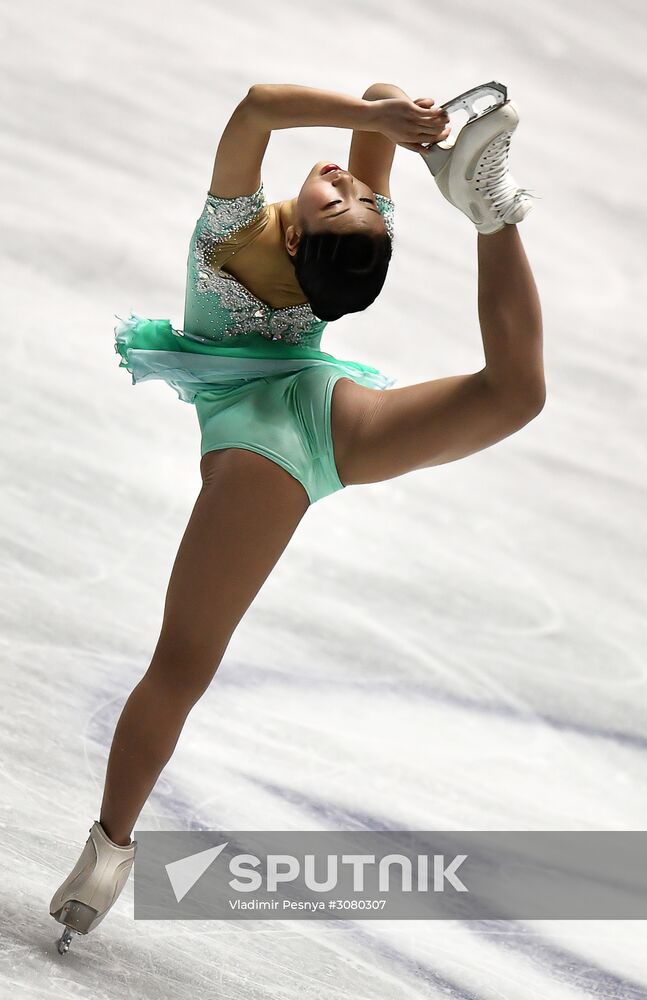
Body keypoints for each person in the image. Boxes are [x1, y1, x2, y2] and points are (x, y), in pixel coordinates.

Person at [49, 81, 544, 953]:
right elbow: (324, 112)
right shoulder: (288, 246)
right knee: (186, 663)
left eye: (350, 197)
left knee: (516, 394)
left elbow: (267, 114)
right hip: (285, 424)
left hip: (293, 423)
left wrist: (385, 123)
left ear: (297, 233)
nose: (347, 184)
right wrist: (393, 116)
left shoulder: (246, 233)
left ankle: (492, 213)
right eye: (349, 195)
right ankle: (108, 850)